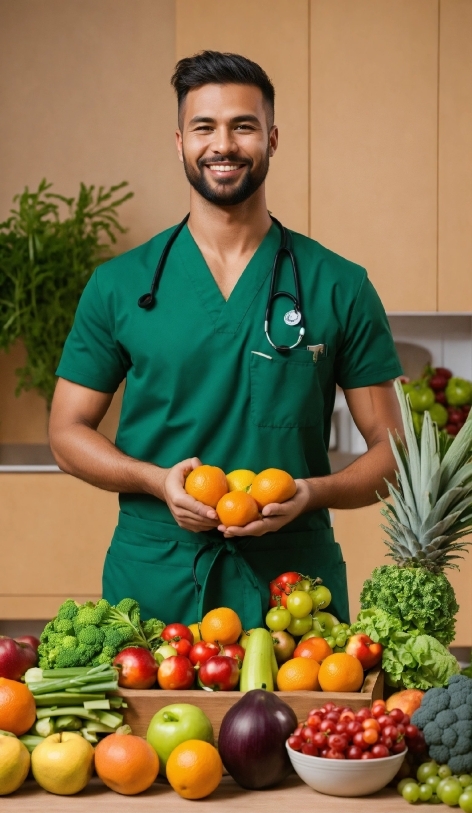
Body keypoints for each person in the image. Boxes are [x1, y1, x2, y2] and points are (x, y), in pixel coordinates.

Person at [49, 51, 403, 629]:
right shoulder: (120, 286)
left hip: (296, 591)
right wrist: (153, 481)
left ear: (272, 137)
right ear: (180, 140)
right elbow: (65, 435)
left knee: (303, 725)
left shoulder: (339, 285)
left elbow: (395, 455)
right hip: (156, 580)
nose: (224, 144)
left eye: (243, 125)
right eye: (204, 127)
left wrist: (311, 493)